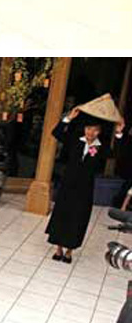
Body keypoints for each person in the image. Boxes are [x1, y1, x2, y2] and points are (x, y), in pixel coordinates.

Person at [46, 107, 112, 263]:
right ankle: (58, 248)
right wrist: (68, 118)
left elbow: (117, 154)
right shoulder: (76, 140)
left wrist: (119, 133)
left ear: (99, 131)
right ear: (84, 129)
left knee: (78, 218)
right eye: (88, 129)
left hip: (85, 189)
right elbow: (56, 133)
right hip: (67, 185)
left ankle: (69, 251)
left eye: (94, 130)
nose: (90, 133)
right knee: (62, 214)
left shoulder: (101, 147)